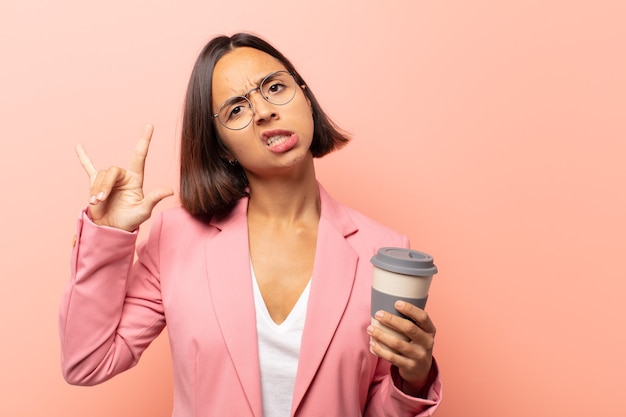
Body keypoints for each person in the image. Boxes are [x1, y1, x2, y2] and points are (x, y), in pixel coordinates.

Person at [59, 32, 442, 417]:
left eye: (274, 87)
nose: (263, 111)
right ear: (222, 144)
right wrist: (107, 236)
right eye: (236, 110)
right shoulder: (175, 238)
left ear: (306, 97)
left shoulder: (380, 250)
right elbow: (87, 362)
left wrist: (413, 378)